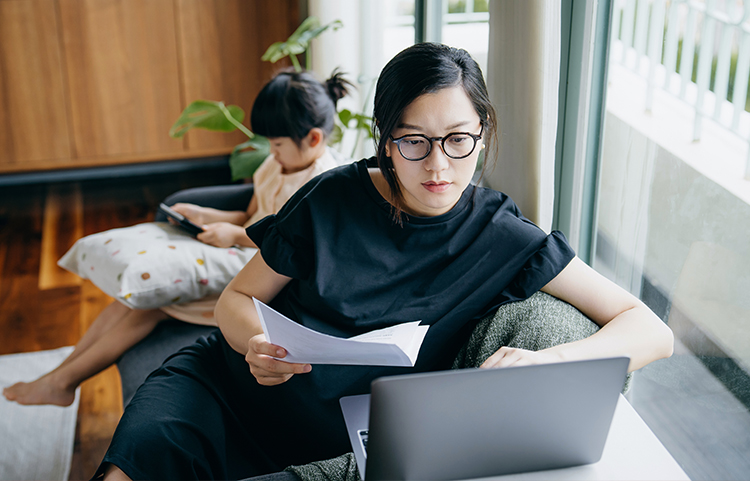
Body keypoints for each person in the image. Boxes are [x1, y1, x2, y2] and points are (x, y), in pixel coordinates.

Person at [95, 43, 674, 481]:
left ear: (482, 132)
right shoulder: (332, 198)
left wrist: (552, 361)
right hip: (231, 390)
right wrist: (256, 346)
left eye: (457, 139)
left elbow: (651, 330)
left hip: (340, 439)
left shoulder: (501, 235)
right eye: (412, 141)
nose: (437, 166)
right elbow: (237, 299)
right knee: (134, 462)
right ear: (385, 140)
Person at [2, 69, 351, 408]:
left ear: (314, 140)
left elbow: (291, 248)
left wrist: (236, 236)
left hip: (263, 279)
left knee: (147, 309)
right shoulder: (277, 165)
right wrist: (204, 216)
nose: (271, 152)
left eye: (276, 144)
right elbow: (250, 216)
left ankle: (62, 383)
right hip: (236, 252)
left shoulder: (319, 187)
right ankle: (59, 376)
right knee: (127, 302)